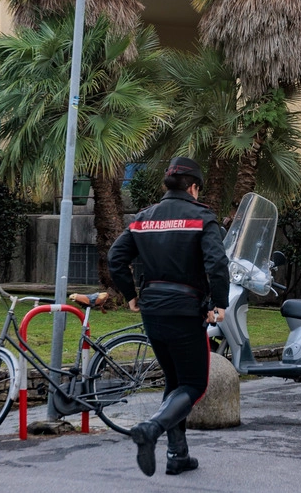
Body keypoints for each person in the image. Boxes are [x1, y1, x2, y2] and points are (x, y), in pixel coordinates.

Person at [107, 156, 229, 477]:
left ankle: (178, 455)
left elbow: (116, 258)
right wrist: (220, 303)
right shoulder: (202, 217)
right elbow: (217, 264)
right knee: (193, 385)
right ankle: (151, 428)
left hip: (152, 312)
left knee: (175, 381)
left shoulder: (143, 218)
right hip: (186, 312)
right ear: (193, 187)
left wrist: (131, 295)